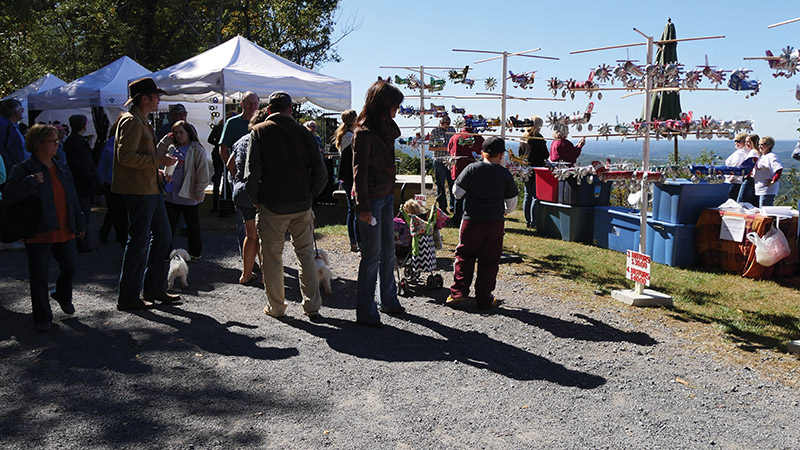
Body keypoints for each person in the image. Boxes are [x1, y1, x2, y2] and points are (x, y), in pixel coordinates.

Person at [245, 91, 327, 321]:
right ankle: (312, 305)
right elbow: (321, 173)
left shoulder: (259, 132)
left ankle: (277, 307)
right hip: (302, 204)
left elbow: (252, 172)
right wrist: (310, 196)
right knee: (306, 255)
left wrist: (255, 199)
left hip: (272, 205)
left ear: (269, 110)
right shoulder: (305, 133)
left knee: (272, 257)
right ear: (291, 109)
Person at [4, 124, 86, 332]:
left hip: (65, 228)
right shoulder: (22, 169)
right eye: (53, 140)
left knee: (71, 268)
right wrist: (30, 182)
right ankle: (42, 318)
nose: (57, 144)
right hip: (38, 230)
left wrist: (80, 220)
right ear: (39, 143)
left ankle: (62, 294)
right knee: (39, 277)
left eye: (57, 140)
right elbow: (9, 197)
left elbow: (72, 197)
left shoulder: (62, 167)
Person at [113, 77, 180, 311]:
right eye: (156, 96)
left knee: (163, 235)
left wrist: (158, 170)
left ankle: (153, 288)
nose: (159, 99)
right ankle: (129, 295)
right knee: (139, 241)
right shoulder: (131, 121)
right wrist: (158, 161)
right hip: (138, 192)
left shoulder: (141, 120)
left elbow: (136, 157)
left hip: (149, 188)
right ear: (145, 99)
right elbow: (126, 157)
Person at [351, 80, 407, 327]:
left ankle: (389, 301)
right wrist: (362, 205)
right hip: (371, 201)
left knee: (388, 251)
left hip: (385, 196)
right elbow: (358, 172)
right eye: (396, 105)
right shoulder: (364, 134)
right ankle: (366, 312)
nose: (398, 110)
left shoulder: (385, 130)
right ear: (385, 105)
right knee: (371, 255)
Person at [447, 137, 518, 311]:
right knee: (489, 261)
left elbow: (457, 192)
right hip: (495, 222)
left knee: (464, 255)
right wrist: (505, 211)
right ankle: (484, 298)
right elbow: (512, 201)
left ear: (481, 153)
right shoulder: (504, 174)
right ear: (502, 155)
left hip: (471, 220)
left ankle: (458, 293)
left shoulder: (472, 168)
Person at [227, 107, 270, 286]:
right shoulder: (265, 140)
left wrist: (238, 179)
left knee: (250, 235)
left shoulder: (240, 141)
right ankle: (266, 276)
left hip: (240, 190)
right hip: (258, 192)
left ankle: (245, 275)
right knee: (265, 235)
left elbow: (229, 164)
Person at [159, 120, 212, 259]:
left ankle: (195, 253)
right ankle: (165, 253)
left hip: (188, 194)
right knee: (168, 226)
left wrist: (199, 191)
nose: (178, 135)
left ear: (188, 132)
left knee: (192, 226)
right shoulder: (172, 148)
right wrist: (165, 141)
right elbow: (156, 154)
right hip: (171, 194)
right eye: (175, 133)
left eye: (181, 132)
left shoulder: (196, 149)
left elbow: (202, 172)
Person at [64, 114, 99, 253]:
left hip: (80, 181)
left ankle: (81, 241)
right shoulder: (77, 142)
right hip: (82, 183)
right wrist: (91, 176)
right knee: (83, 213)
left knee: (82, 212)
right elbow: (81, 164)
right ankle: (82, 242)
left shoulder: (72, 141)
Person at [220, 92, 259, 216]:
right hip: (239, 174)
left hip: (256, 173)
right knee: (243, 215)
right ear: (242, 104)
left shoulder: (261, 122)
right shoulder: (232, 123)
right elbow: (223, 149)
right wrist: (232, 171)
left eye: (255, 103)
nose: (252, 106)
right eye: (249, 103)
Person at [97, 116, 128, 248]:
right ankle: (122, 241)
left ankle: (109, 233)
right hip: (113, 185)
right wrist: (102, 185)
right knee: (119, 214)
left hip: (122, 185)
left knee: (118, 213)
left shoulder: (113, 143)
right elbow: (103, 166)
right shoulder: (110, 144)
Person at [334, 109, 360, 252]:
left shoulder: (344, 135)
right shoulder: (350, 137)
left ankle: (354, 242)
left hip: (345, 177)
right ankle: (356, 241)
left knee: (352, 210)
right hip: (350, 177)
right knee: (355, 210)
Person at [448, 124, 483, 227]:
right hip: (474, 172)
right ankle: (470, 219)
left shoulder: (455, 136)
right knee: (472, 197)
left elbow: (450, 151)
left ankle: (457, 219)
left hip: (458, 169)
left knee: (458, 196)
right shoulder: (479, 138)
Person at [517, 115, 547, 227]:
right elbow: (546, 154)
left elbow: (520, 153)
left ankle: (527, 221)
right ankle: (533, 222)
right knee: (535, 196)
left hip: (525, 168)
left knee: (527, 195)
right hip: (536, 170)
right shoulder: (538, 138)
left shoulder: (523, 138)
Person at [207, 111, 234, 213]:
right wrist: (220, 144)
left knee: (227, 180)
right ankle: (215, 204)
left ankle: (224, 202)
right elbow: (210, 139)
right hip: (218, 155)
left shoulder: (228, 128)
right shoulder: (219, 127)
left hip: (226, 154)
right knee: (218, 179)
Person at [430, 116, 456, 214]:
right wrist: (444, 148)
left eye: (448, 124)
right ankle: (442, 207)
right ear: (441, 123)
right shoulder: (434, 131)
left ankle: (453, 207)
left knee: (452, 184)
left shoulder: (452, 130)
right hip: (439, 160)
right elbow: (431, 147)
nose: (447, 126)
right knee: (440, 185)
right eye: (445, 124)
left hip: (450, 160)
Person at [0, 99, 29, 183]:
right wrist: (11, 166)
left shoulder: (13, 126)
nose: (22, 112)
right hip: (10, 172)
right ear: (16, 112)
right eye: (21, 110)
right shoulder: (3, 125)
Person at [752, 136, 782, 208]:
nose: (760, 146)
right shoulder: (762, 156)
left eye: (762, 144)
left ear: (769, 145)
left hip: (767, 189)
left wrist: (773, 180)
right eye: (759, 144)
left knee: (765, 211)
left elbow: (778, 169)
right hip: (759, 188)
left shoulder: (771, 156)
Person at [724, 132, 751, 200]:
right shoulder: (747, 152)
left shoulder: (739, 153)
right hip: (739, 181)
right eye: (735, 141)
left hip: (734, 182)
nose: (736, 143)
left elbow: (735, 166)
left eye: (738, 141)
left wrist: (731, 177)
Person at [737, 133, 760, 205]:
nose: (747, 144)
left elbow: (749, 166)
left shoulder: (753, 152)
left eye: (749, 142)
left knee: (741, 202)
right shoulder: (759, 152)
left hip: (749, 179)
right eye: (746, 142)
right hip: (756, 179)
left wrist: (747, 174)